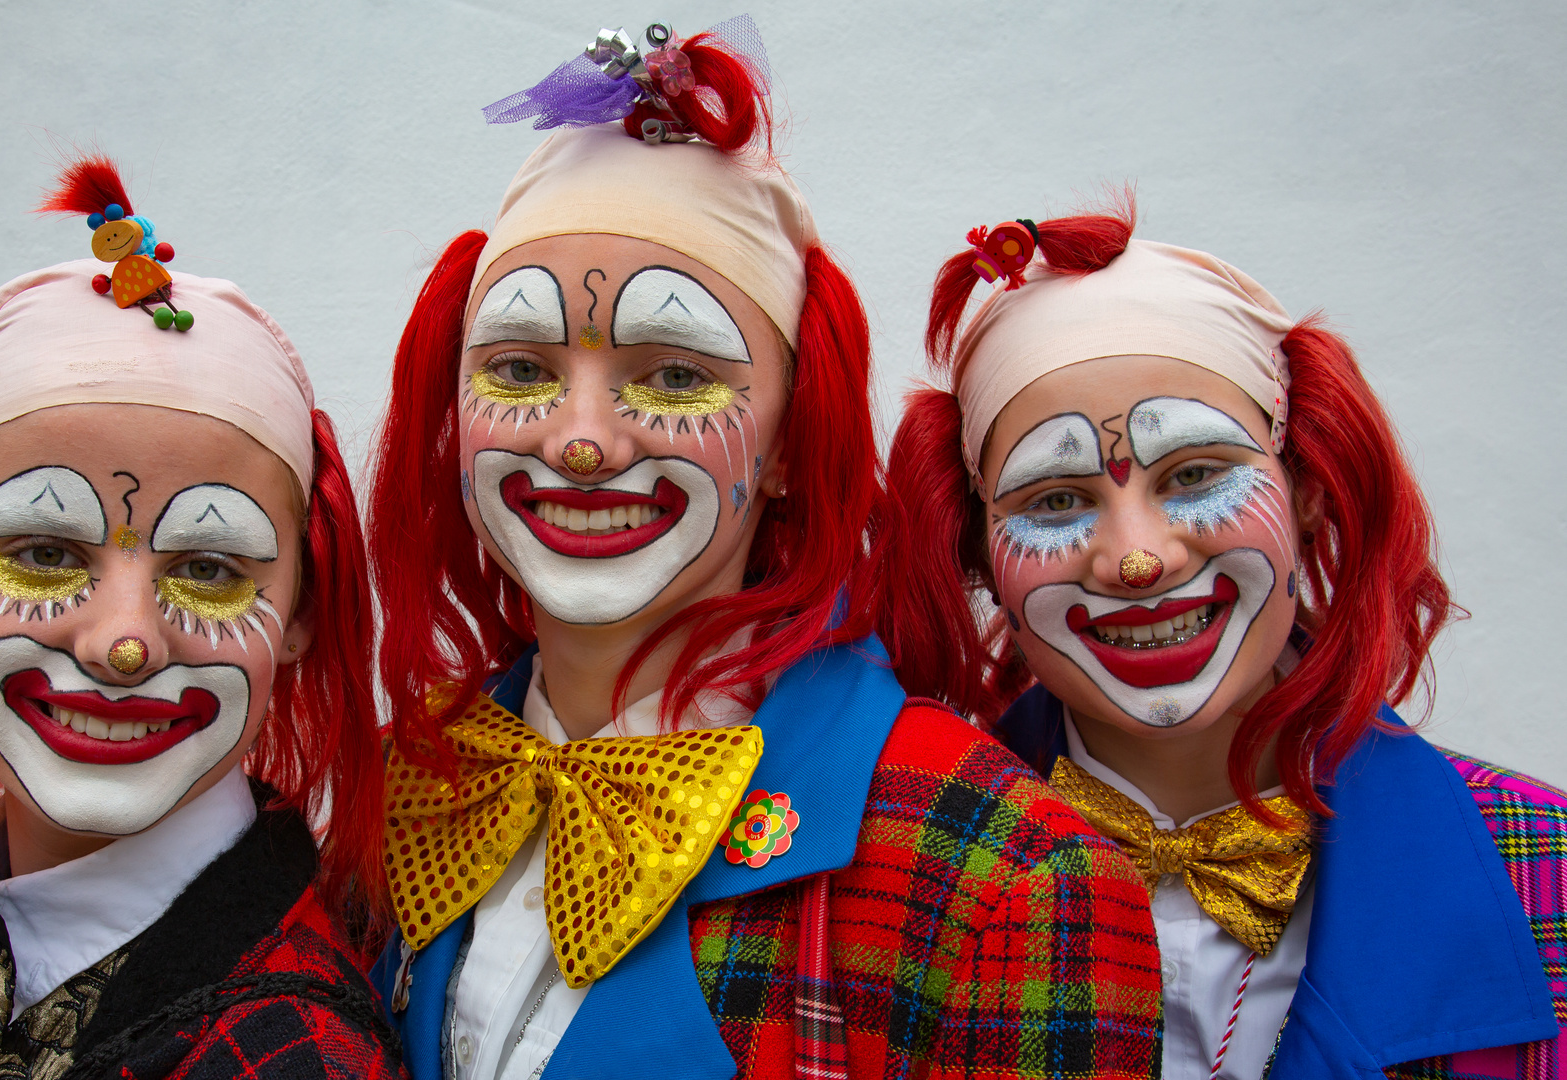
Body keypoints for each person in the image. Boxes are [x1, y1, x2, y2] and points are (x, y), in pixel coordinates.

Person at [366, 20, 1163, 1079]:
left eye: (677, 376)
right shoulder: (406, 785)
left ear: (790, 445)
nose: (583, 439)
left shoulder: (1007, 877)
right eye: (518, 369)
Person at [884, 201, 1567, 1078]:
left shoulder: (1545, 872)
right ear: (979, 552)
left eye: (1196, 474)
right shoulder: (895, 883)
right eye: (1053, 499)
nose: (1135, 557)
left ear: (1307, 490)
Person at [0, 157, 403, 1080]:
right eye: (46, 554)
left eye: (211, 568)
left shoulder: (294, 1056)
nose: (122, 641)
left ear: (299, 610)